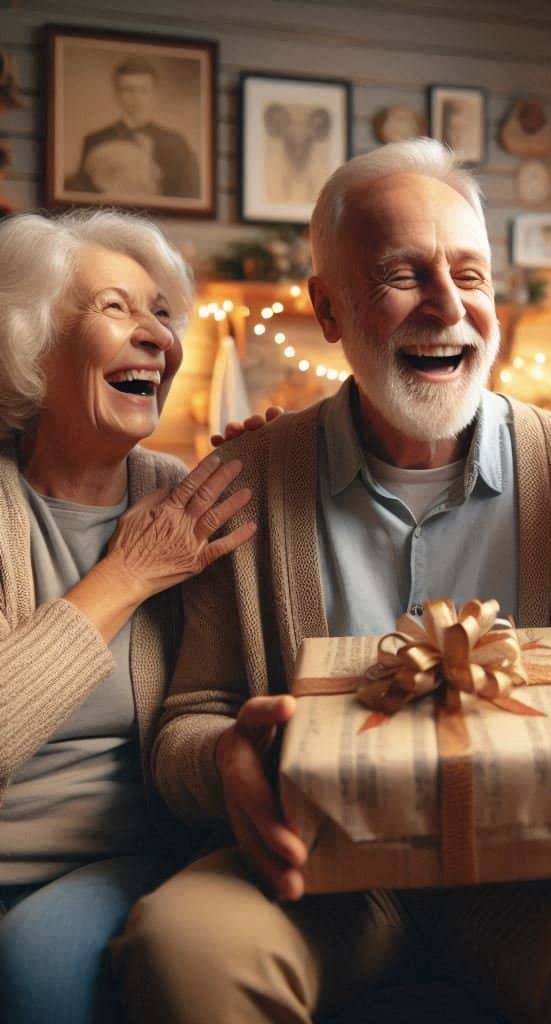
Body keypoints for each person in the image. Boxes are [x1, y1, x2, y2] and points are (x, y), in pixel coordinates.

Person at [112, 138, 551, 1024]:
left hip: (537, 871)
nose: (448, 307)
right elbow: (186, 723)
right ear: (327, 307)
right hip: (316, 873)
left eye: (470, 276)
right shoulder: (246, 478)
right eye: (403, 275)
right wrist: (230, 762)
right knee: (183, 951)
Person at [0, 209, 257, 1024]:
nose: (156, 336)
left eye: (160, 314)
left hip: (136, 858)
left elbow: (267, 658)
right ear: (30, 345)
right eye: (117, 308)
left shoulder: (182, 493)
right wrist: (126, 576)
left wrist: (285, 473)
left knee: (32, 960)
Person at [66, 57, 201, 199]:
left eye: (143, 90)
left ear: (154, 94)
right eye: (128, 90)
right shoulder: (95, 140)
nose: (136, 97)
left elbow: (188, 196)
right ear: (117, 94)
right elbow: (83, 199)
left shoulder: (176, 144)